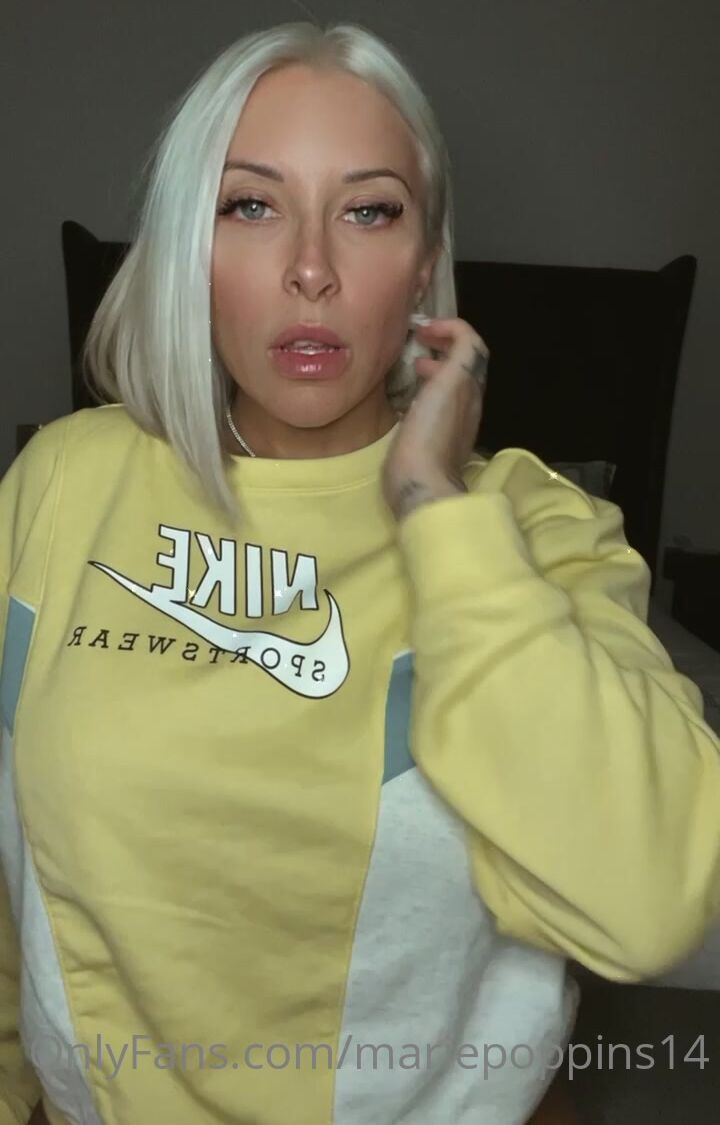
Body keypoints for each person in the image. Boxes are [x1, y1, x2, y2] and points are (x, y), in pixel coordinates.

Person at [3, 19, 720, 1125]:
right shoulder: (60, 483)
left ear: (425, 262)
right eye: (252, 205)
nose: (311, 269)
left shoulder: (535, 527)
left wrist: (435, 508)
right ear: (191, 243)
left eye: (369, 211)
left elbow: (655, 902)